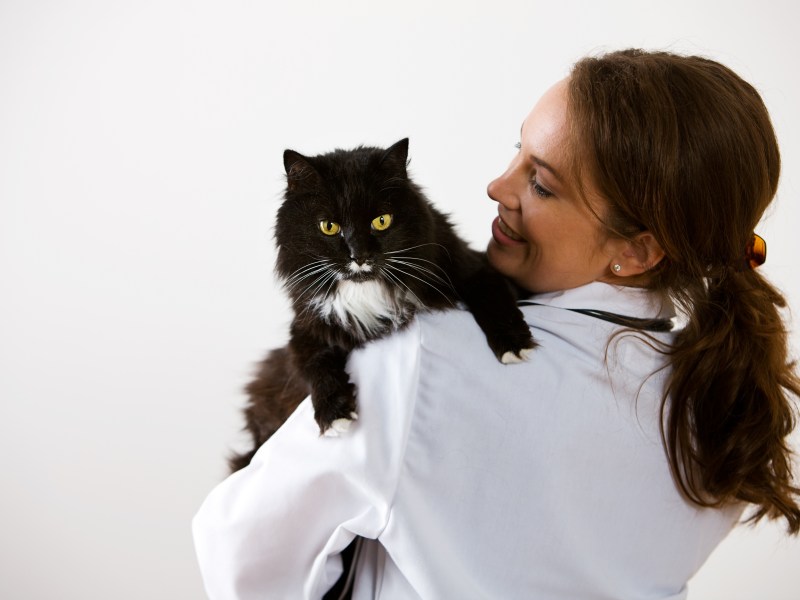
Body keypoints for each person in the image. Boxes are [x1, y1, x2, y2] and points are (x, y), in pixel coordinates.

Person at [192, 49, 800, 599]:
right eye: (518, 151)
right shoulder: (721, 407)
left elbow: (241, 558)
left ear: (637, 251)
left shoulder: (420, 361)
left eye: (540, 184)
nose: (497, 186)